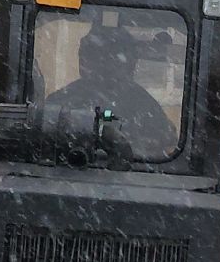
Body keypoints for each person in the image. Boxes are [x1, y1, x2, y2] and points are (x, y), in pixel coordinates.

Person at [35, 22, 179, 159]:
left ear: (130, 62)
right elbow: (41, 142)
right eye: (89, 55)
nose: (101, 65)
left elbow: (165, 148)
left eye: (108, 57)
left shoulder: (147, 107)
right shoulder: (60, 101)